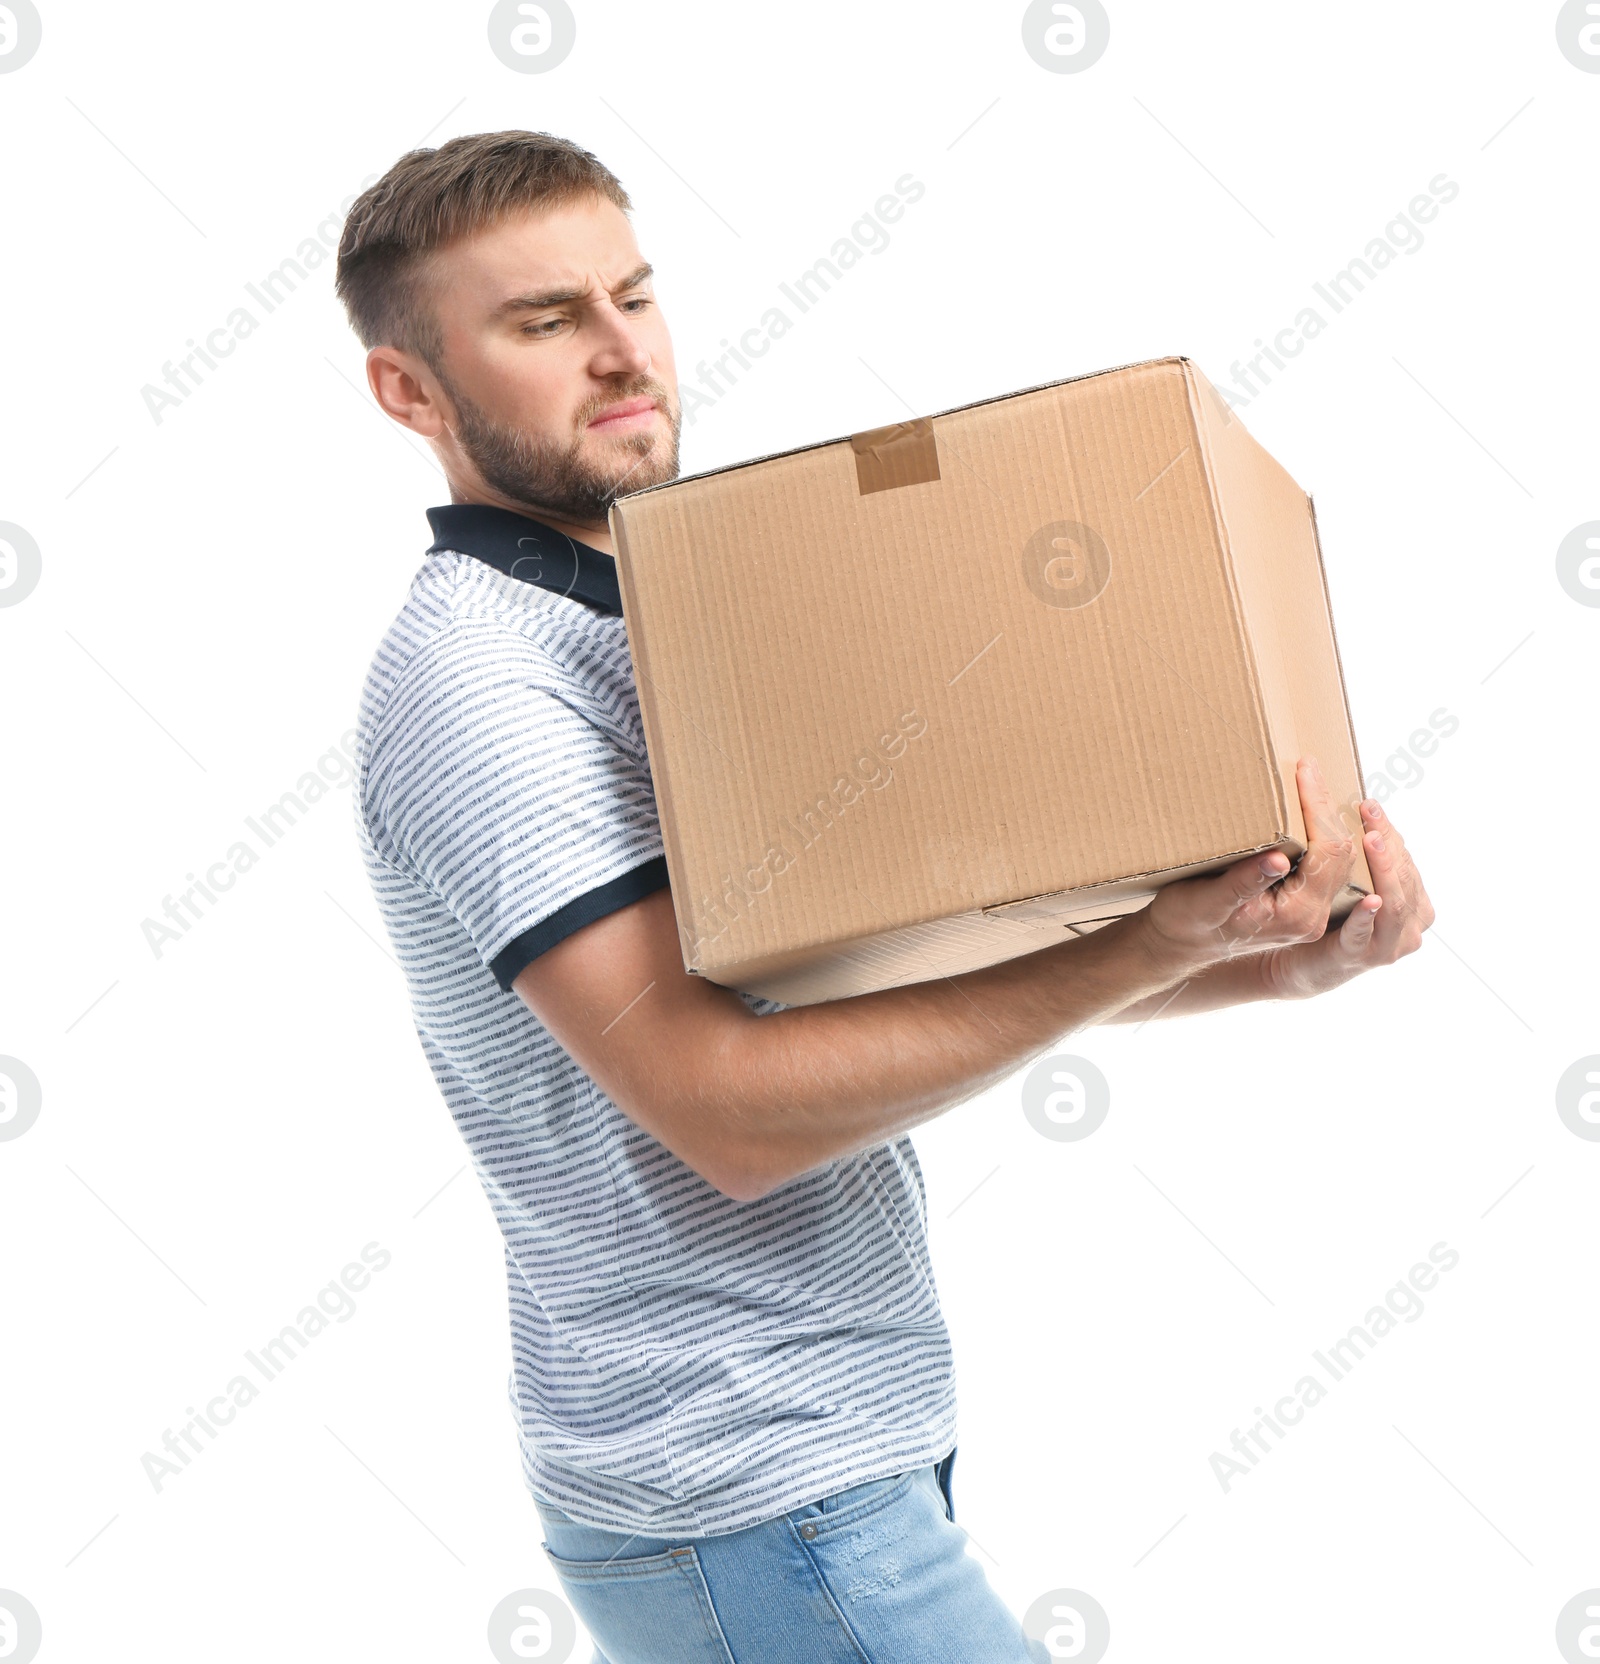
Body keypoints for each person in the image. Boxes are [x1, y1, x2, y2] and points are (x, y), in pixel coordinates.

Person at [336, 130, 1433, 1664]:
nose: (620, 354)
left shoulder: (663, 614)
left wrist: (1260, 956)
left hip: (828, 1458)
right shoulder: (481, 681)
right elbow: (720, 1103)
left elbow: (852, 984)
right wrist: (1142, 944)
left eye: (634, 297)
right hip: (749, 1481)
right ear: (410, 391)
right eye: (542, 323)